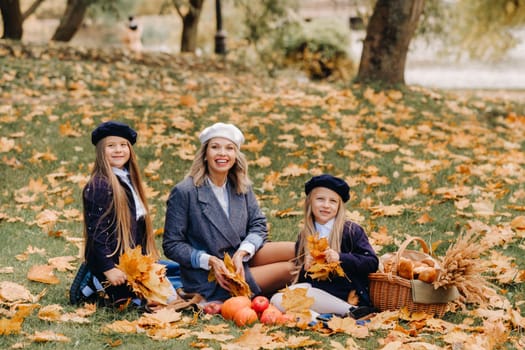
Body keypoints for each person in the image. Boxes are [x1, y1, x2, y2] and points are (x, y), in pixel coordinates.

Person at [163, 122, 296, 302]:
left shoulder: (241, 186)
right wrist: (209, 260)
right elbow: (172, 244)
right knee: (290, 269)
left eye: (229, 148)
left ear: (236, 155)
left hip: (241, 257)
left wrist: (243, 252)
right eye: (215, 147)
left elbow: (258, 226)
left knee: (298, 250)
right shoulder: (185, 191)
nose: (222, 154)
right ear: (205, 154)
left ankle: (331, 289)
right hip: (211, 275)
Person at [70, 121, 176, 308]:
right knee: (149, 302)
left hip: (131, 261)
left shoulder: (127, 178)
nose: (118, 150)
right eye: (111, 146)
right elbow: (97, 233)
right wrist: (108, 268)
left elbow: (136, 228)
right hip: (112, 263)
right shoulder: (100, 186)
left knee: (176, 286)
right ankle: (94, 280)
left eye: (123, 145)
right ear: (101, 151)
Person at [271, 174, 379, 319]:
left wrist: (341, 258)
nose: (326, 205)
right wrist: (305, 268)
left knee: (308, 294)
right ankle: (319, 319)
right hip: (318, 295)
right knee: (277, 299)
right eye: (320, 199)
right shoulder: (305, 235)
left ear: (339, 206)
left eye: (333, 201)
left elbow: (372, 262)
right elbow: (306, 280)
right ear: (310, 202)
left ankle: (354, 310)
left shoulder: (350, 231)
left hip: (345, 295)